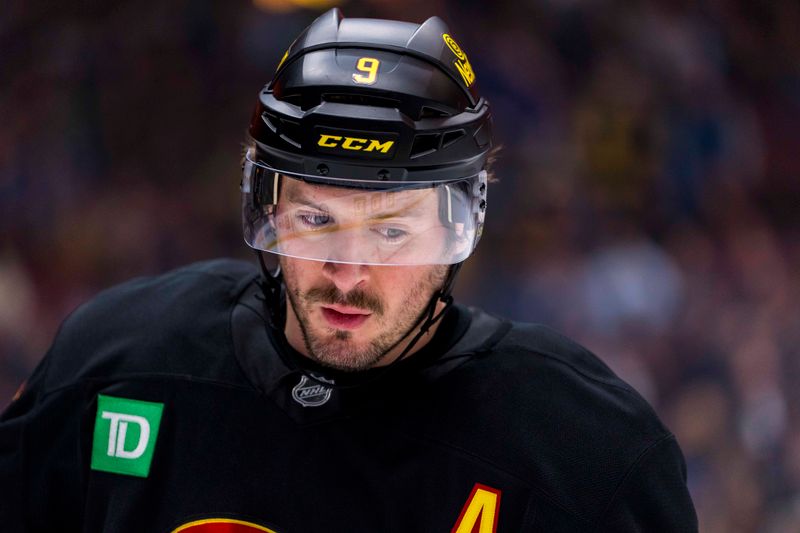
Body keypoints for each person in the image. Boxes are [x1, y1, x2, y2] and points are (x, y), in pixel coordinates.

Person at [0, 8, 697, 532]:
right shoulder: (115, 364)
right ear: (266, 208)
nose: (348, 272)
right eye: (315, 219)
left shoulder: (587, 456)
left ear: (460, 224)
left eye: (391, 230)